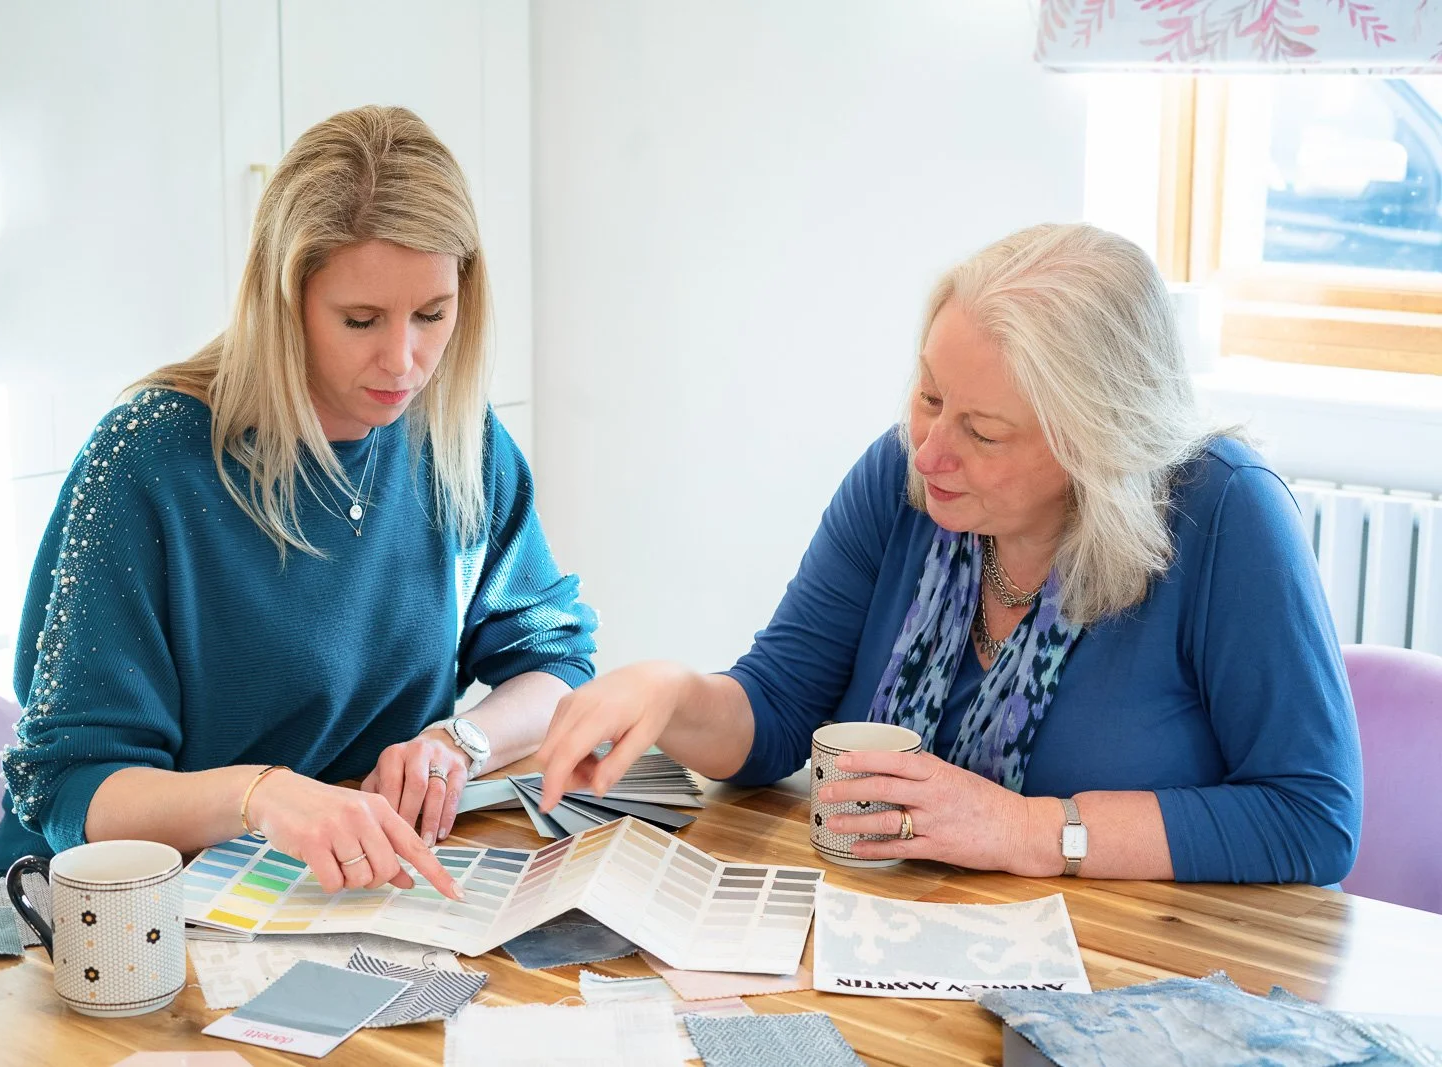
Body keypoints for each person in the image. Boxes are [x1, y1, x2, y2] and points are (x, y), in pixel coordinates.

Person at [535, 223, 1361, 885]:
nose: (929, 453)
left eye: (982, 430)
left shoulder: (1224, 515)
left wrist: (1024, 828)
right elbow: (779, 714)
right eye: (929, 396)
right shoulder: (902, 475)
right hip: (912, 943)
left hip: (1140, 976)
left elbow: (1311, 818)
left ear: (1094, 444)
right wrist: (673, 695)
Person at [0, 106, 597, 897]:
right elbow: (69, 786)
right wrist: (262, 795)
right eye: (360, 319)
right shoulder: (148, 459)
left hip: (329, 893)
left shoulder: (454, 437)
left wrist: (460, 740)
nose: (404, 361)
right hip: (114, 915)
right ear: (285, 301)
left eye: (433, 316)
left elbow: (554, 664)